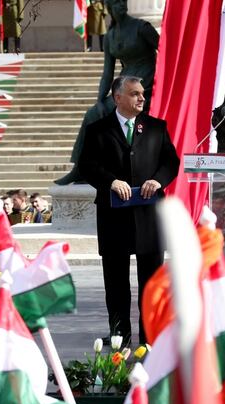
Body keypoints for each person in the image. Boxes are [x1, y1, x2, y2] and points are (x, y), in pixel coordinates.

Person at [79, 75, 180, 347]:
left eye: (142, 94)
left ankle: (150, 339)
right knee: (116, 283)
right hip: (114, 216)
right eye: (135, 94)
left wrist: (158, 179)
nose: (141, 98)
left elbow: (171, 161)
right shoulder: (97, 129)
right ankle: (119, 338)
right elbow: (87, 166)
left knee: (151, 281)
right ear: (118, 97)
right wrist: (111, 181)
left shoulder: (157, 128)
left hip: (149, 216)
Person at [55, 0, 159, 185]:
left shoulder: (142, 28)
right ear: (109, 7)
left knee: (116, 113)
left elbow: (166, 52)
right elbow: (107, 73)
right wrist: (100, 101)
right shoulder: (110, 35)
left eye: (123, 2)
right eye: (116, 3)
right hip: (124, 86)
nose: (122, 6)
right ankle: (81, 168)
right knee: (93, 114)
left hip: (148, 85)